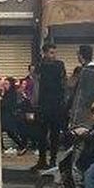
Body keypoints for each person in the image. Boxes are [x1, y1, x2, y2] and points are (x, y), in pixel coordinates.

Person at [31, 43, 68, 172]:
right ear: (45, 53)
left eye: (54, 52)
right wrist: (35, 104)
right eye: (51, 52)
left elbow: (64, 82)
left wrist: (64, 102)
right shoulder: (40, 66)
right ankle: (42, 160)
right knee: (41, 134)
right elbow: (36, 84)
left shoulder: (59, 65)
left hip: (56, 105)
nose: (53, 55)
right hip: (43, 105)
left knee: (55, 134)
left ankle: (52, 159)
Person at [66, 44, 94, 133]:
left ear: (81, 55)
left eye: (77, 54)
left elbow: (81, 95)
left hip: (83, 114)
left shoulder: (89, 71)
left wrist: (73, 110)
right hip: (91, 110)